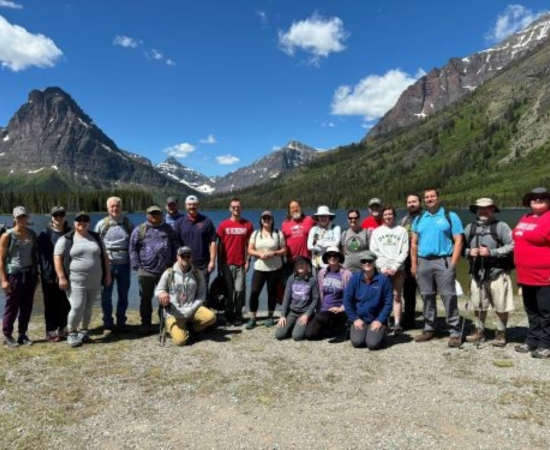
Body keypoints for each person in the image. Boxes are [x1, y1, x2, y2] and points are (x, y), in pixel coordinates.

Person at [411, 188, 464, 347]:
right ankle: (429, 328)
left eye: (432, 196)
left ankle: (454, 331)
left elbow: (459, 241)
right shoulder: (420, 218)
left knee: (448, 296)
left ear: (438, 198)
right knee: (427, 296)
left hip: (443, 261)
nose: (429, 199)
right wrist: (414, 264)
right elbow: (413, 243)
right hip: (424, 262)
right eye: (426, 197)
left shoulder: (450, 216)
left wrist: (453, 264)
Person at [54, 212, 111, 348]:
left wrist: (108, 275)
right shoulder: (66, 239)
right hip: (75, 280)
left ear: (89, 223)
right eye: (79, 220)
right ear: (74, 223)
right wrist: (61, 277)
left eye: (85, 220)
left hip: (95, 280)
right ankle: (72, 332)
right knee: (77, 306)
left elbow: (105, 257)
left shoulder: (96, 237)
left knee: (88, 307)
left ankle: (84, 331)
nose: (82, 222)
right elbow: (57, 258)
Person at [463, 198, 514, 347]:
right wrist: (468, 252)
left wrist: (491, 252)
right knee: (478, 305)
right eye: (480, 208)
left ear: (493, 209)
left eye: (487, 208)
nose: (483, 211)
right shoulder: (470, 228)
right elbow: (459, 246)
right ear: (476, 210)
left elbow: (512, 245)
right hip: (477, 274)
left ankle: (500, 333)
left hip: (497, 272)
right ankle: (479, 331)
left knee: (501, 305)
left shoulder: (501, 226)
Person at [512, 187, 550, 358]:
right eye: (533, 197)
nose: (537, 200)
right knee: (531, 310)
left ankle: (546, 344)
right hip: (526, 274)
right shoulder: (525, 217)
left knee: (546, 311)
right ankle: (532, 340)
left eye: (542, 197)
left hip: (545, 275)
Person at [129, 205, 177, 334]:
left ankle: (164, 323)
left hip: (165, 271)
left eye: (157, 213)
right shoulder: (139, 230)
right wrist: (136, 265)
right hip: (145, 271)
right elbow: (133, 248)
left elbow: (175, 246)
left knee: (166, 298)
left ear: (161, 214)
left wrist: (173, 264)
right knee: (145, 299)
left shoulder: (168, 229)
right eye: (152, 213)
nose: (154, 215)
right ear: (147, 215)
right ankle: (146, 324)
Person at [155, 246, 216, 346]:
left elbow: (201, 295)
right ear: (177, 257)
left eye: (188, 256)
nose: (185, 258)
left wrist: (191, 309)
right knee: (180, 342)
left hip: (191, 310)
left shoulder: (197, 273)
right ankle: (174, 327)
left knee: (211, 317)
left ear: (191, 258)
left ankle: (191, 328)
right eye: (183, 256)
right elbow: (158, 290)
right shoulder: (169, 273)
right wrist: (162, 294)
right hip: (174, 313)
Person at [94, 196, 133, 337]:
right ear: (107, 208)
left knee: (123, 295)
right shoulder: (101, 224)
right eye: (112, 206)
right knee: (106, 295)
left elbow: (134, 243)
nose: (115, 208)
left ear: (121, 207)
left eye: (117, 206)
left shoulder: (128, 223)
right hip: (107, 265)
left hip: (124, 264)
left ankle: (121, 322)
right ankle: (108, 324)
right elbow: (96, 245)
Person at [1, 206, 38, 348]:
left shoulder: (32, 234)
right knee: (12, 306)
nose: (22, 219)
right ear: (14, 218)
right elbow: (1, 260)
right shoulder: (7, 235)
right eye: (19, 217)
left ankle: (22, 334)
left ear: (27, 218)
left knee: (27, 306)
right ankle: (7, 336)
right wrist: (4, 280)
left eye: (24, 216)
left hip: (29, 274)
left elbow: (34, 256)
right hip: (14, 275)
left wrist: (37, 274)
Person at [369, 205, 409, 334]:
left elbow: (405, 251)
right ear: (382, 216)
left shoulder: (401, 231)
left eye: (390, 214)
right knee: (383, 297)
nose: (388, 216)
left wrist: (395, 267)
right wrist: (383, 267)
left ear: (394, 215)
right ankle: (384, 322)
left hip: (398, 268)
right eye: (385, 214)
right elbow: (373, 251)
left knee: (397, 296)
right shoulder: (377, 232)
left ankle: (397, 324)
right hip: (382, 270)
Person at [343, 250, 393, 350]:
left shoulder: (383, 280)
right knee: (357, 343)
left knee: (372, 345)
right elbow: (347, 300)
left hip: (376, 318)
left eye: (369, 261)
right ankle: (360, 330)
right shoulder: (354, 279)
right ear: (361, 263)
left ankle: (383, 330)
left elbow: (388, 303)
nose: (367, 263)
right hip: (360, 319)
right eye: (364, 261)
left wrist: (380, 320)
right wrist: (354, 319)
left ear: (374, 262)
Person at [37, 206, 72, 343]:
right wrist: (48, 274)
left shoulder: (70, 232)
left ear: (65, 215)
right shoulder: (45, 233)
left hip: (67, 274)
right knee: (50, 303)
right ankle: (50, 330)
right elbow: (43, 258)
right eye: (55, 215)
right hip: (50, 276)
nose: (58, 217)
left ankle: (63, 327)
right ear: (51, 217)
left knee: (65, 302)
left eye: (61, 214)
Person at [217, 198, 253, 326]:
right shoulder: (223, 225)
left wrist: (248, 260)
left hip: (240, 264)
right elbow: (219, 245)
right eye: (233, 206)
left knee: (239, 290)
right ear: (229, 208)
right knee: (228, 291)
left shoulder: (247, 225)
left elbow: (249, 245)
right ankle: (228, 315)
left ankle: (238, 315)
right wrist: (219, 264)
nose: (235, 208)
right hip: (226, 264)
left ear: (241, 208)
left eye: (238, 206)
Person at [246, 211, 286, 329]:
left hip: (274, 268)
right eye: (264, 218)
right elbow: (250, 250)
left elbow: (284, 250)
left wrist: (274, 253)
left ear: (272, 220)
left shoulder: (278, 234)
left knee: (271, 293)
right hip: (259, 268)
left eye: (269, 218)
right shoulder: (255, 234)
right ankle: (252, 317)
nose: (267, 220)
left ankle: (270, 316)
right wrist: (259, 254)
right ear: (261, 220)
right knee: (254, 292)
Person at [305, 246, 352, 340]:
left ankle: (341, 325)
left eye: (335, 256)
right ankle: (335, 330)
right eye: (329, 256)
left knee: (322, 318)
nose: (332, 258)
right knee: (310, 334)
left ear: (339, 258)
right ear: (326, 258)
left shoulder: (347, 274)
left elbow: (350, 295)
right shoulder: (322, 272)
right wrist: (317, 309)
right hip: (323, 309)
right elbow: (320, 293)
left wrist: (342, 307)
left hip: (338, 310)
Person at [173, 195, 217, 287]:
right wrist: (178, 262)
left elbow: (213, 242)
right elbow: (176, 244)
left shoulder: (206, 221)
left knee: (203, 294)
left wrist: (212, 261)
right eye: (189, 204)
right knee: (185, 294)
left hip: (203, 265)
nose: (192, 207)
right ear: (185, 206)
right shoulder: (179, 223)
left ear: (198, 205)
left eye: (194, 204)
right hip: (184, 264)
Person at [276, 256, 319, 341]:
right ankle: (293, 326)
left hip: (304, 313)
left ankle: (305, 323)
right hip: (292, 312)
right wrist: (283, 315)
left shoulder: (312, 280)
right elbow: (286, 298)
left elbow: (315, 299)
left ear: (307, 266)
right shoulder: (291, 279)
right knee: (279, 335)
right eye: (298, 264)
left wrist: (307, 315)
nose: (300, 266)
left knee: (297, 337)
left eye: (302, 264)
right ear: (295, 267)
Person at [400, 193, 423, 329]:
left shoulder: (426, 218)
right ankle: (409, 319)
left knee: (426, 291)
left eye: (414, 201)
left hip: (424, 258)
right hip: (408, 259)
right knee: (408, 291)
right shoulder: (403, 221)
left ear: (420, 202)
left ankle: (430, 321)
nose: (412, 204)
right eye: (409, 202)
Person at [281, 200, 315, 279]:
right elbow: (282, 242)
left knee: (308, 286)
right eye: (292, 208)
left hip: (307, 260)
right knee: (293, 287)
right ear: (289, 211)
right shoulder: (284, 223)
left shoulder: (310, 220)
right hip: (291, 261)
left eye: (297, 207)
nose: (295, 209)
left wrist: (316, 240)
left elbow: (320, 228)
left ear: (301, 208)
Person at [307, 206, 341, 273]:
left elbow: (336, 243)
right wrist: (328, 246)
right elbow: (310, 246)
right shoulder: (313, 229)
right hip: (317, 265)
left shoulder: (336, 228)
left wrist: (318, 243)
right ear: (318, 218)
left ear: (329, 217)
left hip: (332, 265)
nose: (323, 218)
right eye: (320, 216)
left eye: (325, 216)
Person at [341, 209, 369, 273]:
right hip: (347, 270)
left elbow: (370, 251)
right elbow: (342, 251)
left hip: (362, 270)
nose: (353, 220)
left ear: (359, 219)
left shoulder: (366, 232)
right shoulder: (344, 233)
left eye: (355, 218)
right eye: (350, 218)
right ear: (348, 219)